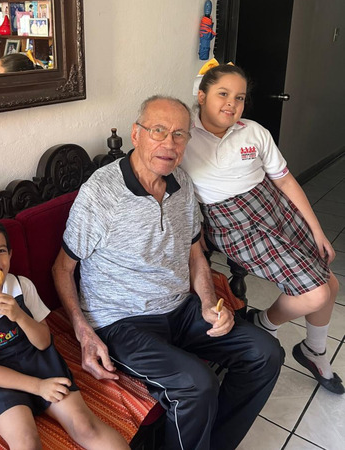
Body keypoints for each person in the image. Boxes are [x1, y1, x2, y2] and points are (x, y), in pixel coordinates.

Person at [53, 96, 284, 450]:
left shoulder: (182, 184)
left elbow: (195, 254)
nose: (169, 144)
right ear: (136, 134)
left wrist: (208, 302)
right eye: (158, 131)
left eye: (179, 134)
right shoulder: (101, 193)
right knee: (197, 385)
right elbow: (62, 268)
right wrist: (83, 332)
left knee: (266, 353)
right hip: (122, 321)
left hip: (180, 308)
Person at [181, 63, 343, 395]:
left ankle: (314, 351)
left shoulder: (253, 131)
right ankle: (263, 323)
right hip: (233, 223)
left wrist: (317, 230)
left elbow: (284, 180)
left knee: (331, 282)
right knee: (315, 293)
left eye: (239, 97)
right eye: (223, 93)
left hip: (274, 207)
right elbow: (172, 188)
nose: (231, 103)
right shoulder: (184, 136)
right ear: (202, 96)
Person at [0, 220, 129, 450]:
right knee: (26, 440)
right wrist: (39, 387)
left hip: (37, 360)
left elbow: (43, 342)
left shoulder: (22, 286)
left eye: (0, 251)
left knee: (85, 426)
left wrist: (19, 316)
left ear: (10, 255)